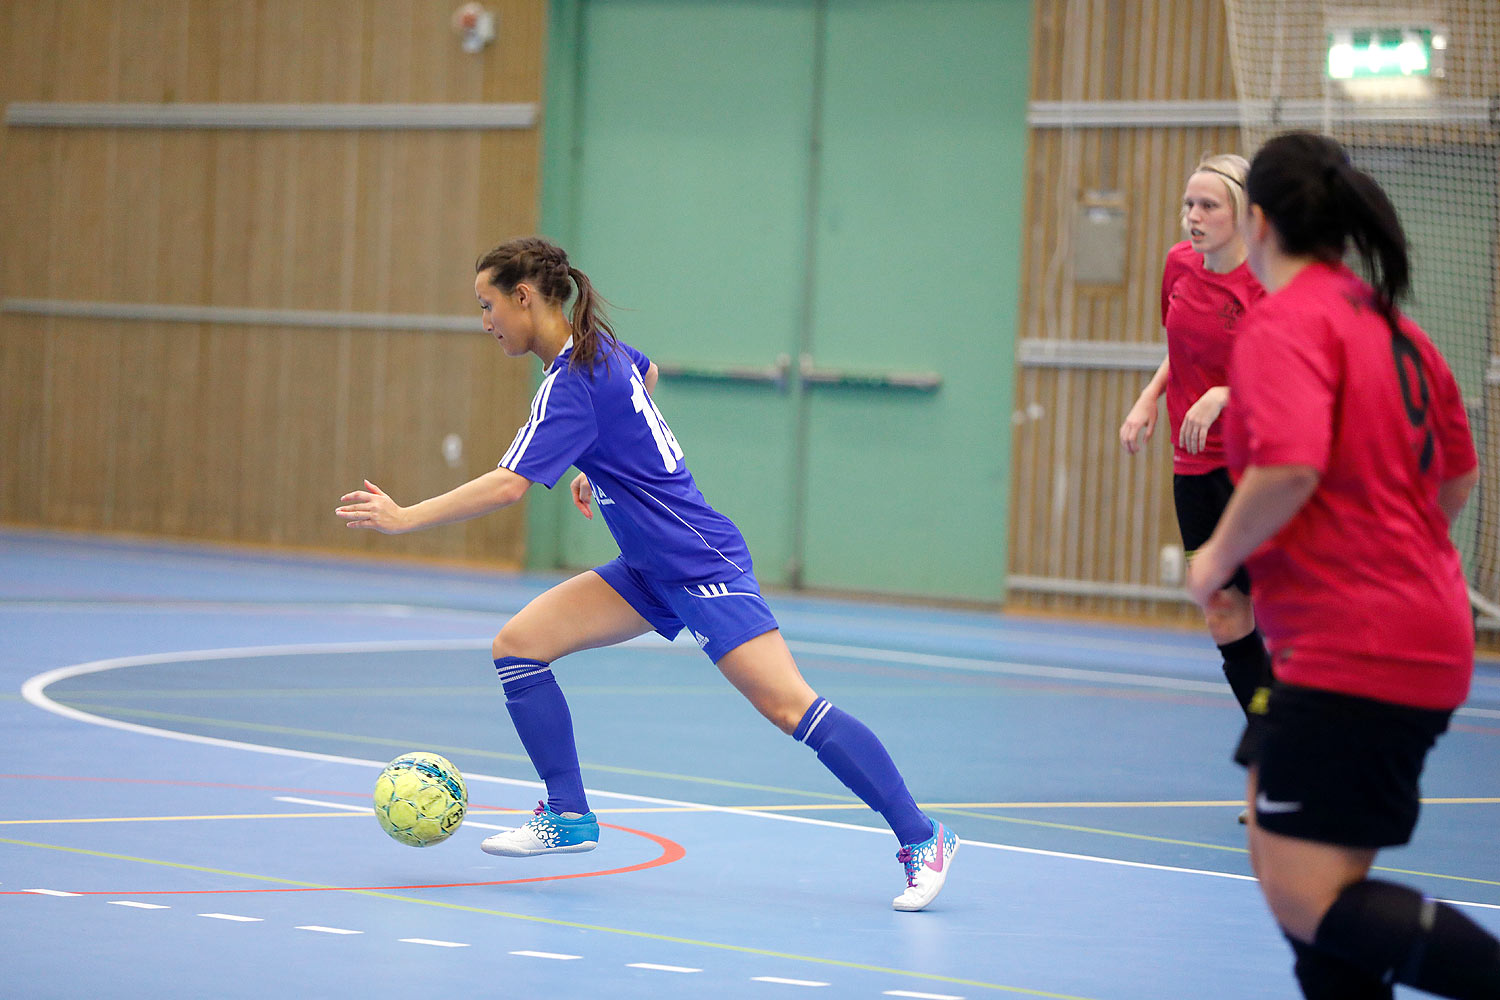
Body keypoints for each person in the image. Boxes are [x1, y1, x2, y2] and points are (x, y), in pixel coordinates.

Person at [336, 236, 957, 911]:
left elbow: (509, 486)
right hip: (646, 567)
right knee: (518, 647)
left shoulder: (572, 381)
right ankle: (568, 816)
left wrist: (403, 517)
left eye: (488, 305)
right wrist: (594, 466)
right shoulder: (601, 351)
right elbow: (648, 377)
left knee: (789, 707)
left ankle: (923, 837)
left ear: (525, 298)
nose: (484, 321)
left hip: (699, 564)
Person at [1186, 132, 1499, 998]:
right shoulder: (1396, 329)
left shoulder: (1285, 324)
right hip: (1414, 633)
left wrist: (1216, 557)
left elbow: (1288, 469)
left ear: (1257, 222)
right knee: (1320, 888)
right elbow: (1460, 474)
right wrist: (1402, 558)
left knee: (1305, 895)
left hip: (1356, 645)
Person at [1120, 154, 1275, 731]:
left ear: (1240, 214)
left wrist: (1226, 394)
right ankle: (1269, 742)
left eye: (1208, 205)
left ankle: (1303, 757)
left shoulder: (1264, 283)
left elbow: (1289, 374)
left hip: (1253, 465)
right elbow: (1180, 347)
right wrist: (1150, 396)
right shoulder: (1178, 265)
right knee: (1222, 611)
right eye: (1189, 203)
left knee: (1280, 614)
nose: (1193, 215)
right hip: (1192, 466)